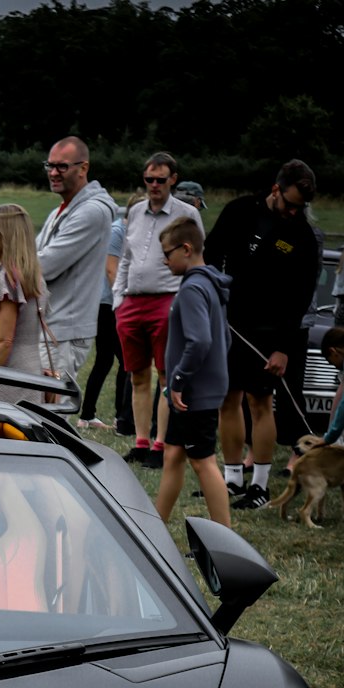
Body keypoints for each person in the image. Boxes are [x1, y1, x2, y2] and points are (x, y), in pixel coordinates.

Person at [203, 159, 319, 509]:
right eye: (290, 203)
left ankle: (260, 486)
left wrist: (283, 348)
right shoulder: (240, 210)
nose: (294, 211)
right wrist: (215, 292)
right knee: (228, 399)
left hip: (273, 331)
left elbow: (301, 296)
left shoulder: (301, 235)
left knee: (260, 402)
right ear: (275, 190)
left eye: (301, 207)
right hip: (230, 322)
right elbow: (212, 252)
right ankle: (233, 479)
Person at [112, 152, 202, 469]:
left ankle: (160, 442)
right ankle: (140, 441)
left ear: (173, 180)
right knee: (136, 374)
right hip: (132, 301)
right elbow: (125, 257)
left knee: (166, 374)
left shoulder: (187, 212)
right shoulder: (135, 211)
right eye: (148, 179)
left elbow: (196, 259)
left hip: (167, 300)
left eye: (160, 180)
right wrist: (118, 299)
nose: (153, 185)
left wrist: (182, 303)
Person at [153, 215, 233, 527]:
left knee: (203, 462)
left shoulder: (193, 289)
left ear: (186, 249)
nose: (164, 261)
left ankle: (227, 542)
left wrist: (178, 379)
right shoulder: (209, 283)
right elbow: (223, 339)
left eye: (167, 254)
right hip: (194, 391)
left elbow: (200, 341)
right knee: (173, 454)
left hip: (192, 393)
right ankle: (154, 528)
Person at [35, 137, 117, 388]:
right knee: (35, 411)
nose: (53, 173)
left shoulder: (92, 212)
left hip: (64, 332)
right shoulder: (60, 210)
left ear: (83, 168)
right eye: (49, 165)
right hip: (50, 327)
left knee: (50, 416)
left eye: (62, 166)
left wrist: (11, 264)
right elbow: (34, 257)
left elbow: (44, 265)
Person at [0, 204, 48, 403]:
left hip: (7, 379)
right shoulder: (31, 275)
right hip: (31, 373)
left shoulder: (7, 279)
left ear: (7, 235)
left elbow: (4, 342)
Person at [79, 193, 140, 429]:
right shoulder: (117, 231)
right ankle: (122, 417)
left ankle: (88, 415)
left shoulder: (130, 232)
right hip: (108, 304)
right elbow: (111, 270)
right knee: (125, 361)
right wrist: (123, 303)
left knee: (105, 360)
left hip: (110, 303)